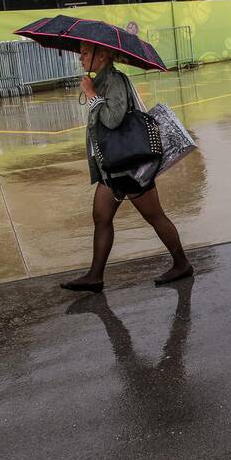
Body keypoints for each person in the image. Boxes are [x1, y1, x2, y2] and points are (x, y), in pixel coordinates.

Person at [60, 42, 193, 292]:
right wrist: (92, 91)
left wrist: (91, 95)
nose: (80, 57)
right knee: (101, 217)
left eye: (86, 53)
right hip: (112, 167)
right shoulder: (100, 80)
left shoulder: (115, 81)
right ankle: (95, 276)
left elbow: (113, 119)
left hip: (130, 167)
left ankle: (182, 263)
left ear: (102, 56)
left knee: (154, 216)